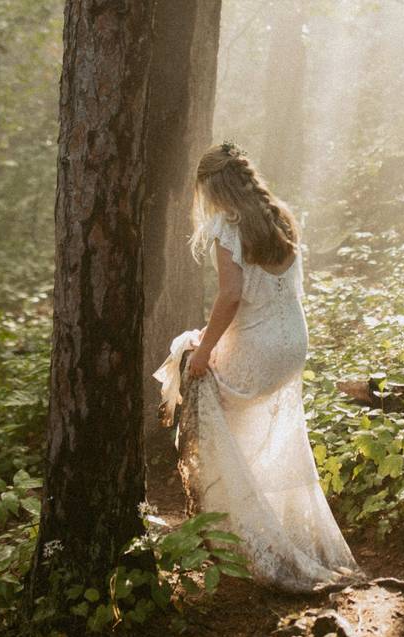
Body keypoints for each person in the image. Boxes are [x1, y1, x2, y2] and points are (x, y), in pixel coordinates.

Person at [154, 142, 361, 592]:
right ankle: (251, 525)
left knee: (198, 386)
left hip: (263, 344)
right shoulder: (278, 214)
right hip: (292, 342)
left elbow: (230, 296)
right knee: (248, 430)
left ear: (213, 186)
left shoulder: (229, 226)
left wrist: (205, 350)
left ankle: (238, 536)